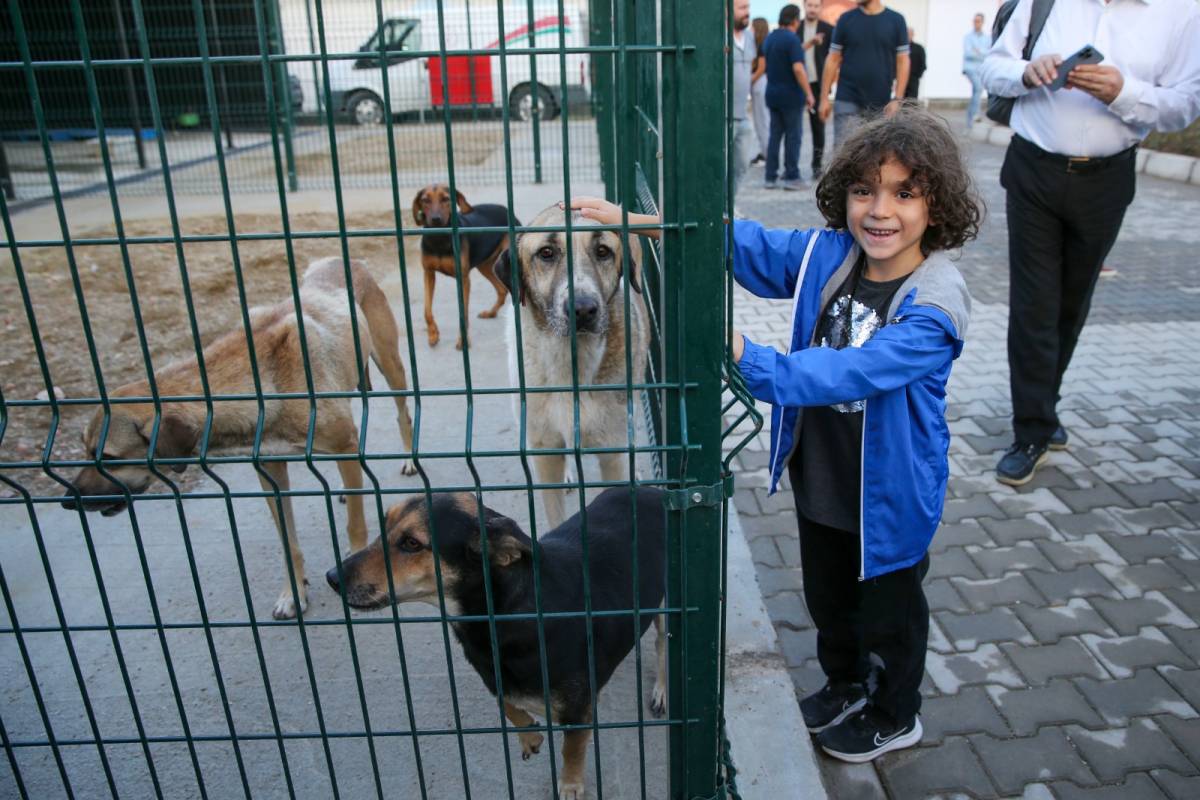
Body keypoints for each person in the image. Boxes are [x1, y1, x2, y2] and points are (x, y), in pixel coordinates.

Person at [567, 105, 980, 762]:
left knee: (890, 615)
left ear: (938, 203)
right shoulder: (830, 253)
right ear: (842, 193)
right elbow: (747, 244)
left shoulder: (935, 302)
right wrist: (642, 224)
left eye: (905, 193)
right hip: (822, 481)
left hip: (892, 496)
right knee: (829, 598)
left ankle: (895, 711)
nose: (881, 210)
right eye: (864, 189)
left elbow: (853, 370)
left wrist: (748, 357)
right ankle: (845, 683)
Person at [980, 0, 1200, 485]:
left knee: (1071, 304)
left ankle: (1044, 405)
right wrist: (1025, 71)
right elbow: (992, 68)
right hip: (1033, 169)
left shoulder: (1180, 13)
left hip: (1107, 179)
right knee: (1034, 305)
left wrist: (1127, 92)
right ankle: (1031, 430)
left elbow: (1186, 102)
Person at [818, 0, 910, 148]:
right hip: (847, 99)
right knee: (844, 155)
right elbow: (833, 58)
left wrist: (897, 99)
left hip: (880, 103)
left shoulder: (896, 20)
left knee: (874, 157)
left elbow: (903, 61)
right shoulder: (846, 19)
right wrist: (823, 98)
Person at [762, 4, 816, 190]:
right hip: (791, 96)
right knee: (794, 136)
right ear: (795, 20)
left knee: (775, 136)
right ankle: (792, 176)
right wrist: (809, 93)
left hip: (772, 94)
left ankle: (770, 176)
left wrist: (809, 44)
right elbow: (798, 68)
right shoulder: (792, 39)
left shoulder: (770, 38)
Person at [799, 0, 835, 178]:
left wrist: (828, 87)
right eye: (809, 5)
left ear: (821, 7)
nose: (812, 9)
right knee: (793, 127)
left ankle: (816, 165)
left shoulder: (828, 29)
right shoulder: (796, 27)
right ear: (804, 6)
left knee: (818, 127)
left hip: (819, 84)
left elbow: (835, 59)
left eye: (816, 5)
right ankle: (791, 167)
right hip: (798, 83)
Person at [730, 0, 756, 201]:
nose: (747, 12)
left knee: (742, 163)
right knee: (721, 168)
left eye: (748, 7)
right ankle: (720, 207)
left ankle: (730, 204)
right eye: (742, 8)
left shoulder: (749, 36)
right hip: (724, 115)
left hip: (743, 113)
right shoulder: (718, 38)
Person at [962, 13, 989, 130]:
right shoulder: (968, 37)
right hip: (970, 68)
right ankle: (975, 115)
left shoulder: (987, 38)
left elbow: (989, 54)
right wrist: (981, 53)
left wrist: (977, 51)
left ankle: (969, 123)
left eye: (978, 21)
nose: (976, 23)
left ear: (982, 22)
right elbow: (968, 54)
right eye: (975, 21)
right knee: (978, 88)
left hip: (980, 69)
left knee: (976, 93)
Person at [750, 17, 771, 165]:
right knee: (762, 120)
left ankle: (767, 153)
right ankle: (765, 152)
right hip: (762, 83)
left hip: (759, 83)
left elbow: (761, 68)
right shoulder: (766, 43)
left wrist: (748, 81)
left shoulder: (761, 45)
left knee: (762, 120)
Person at [905, 26, 926, 100]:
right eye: (906, 34)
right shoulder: (900, 48)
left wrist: (917, 75)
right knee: (900, 100)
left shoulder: (919, 48)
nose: (908, 36)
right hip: (901, 78)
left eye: (910, 34)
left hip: (914, 79)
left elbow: (923, 64)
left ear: (913, 35)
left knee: (912, 100)